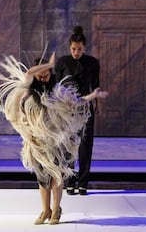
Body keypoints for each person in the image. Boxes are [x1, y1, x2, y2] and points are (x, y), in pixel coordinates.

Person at [0, 52, 108, 224]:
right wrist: (48, 65)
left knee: (56, 176)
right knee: (42, 177)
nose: (43, 78)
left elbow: (76, 101)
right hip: (37, 141)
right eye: (41, 75)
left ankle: (56, 210)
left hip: (56, 139)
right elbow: (29, 73)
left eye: (46, 74)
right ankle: (45, 210)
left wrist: (93, 95)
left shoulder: (57, 90)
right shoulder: (30, 87)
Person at [55, 26, 100, 196]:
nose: (76, 52)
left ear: (84, 48)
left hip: (85, 108)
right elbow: (57, 88)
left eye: (79, 49)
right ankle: (70, 181)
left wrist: (98, 104)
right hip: (66, 109)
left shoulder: (93, 63)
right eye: (73, 49)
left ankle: (83, 183)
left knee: (86, 145)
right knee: (67, 144)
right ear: (69, 47)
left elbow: (96, 85)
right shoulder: (62, 62)